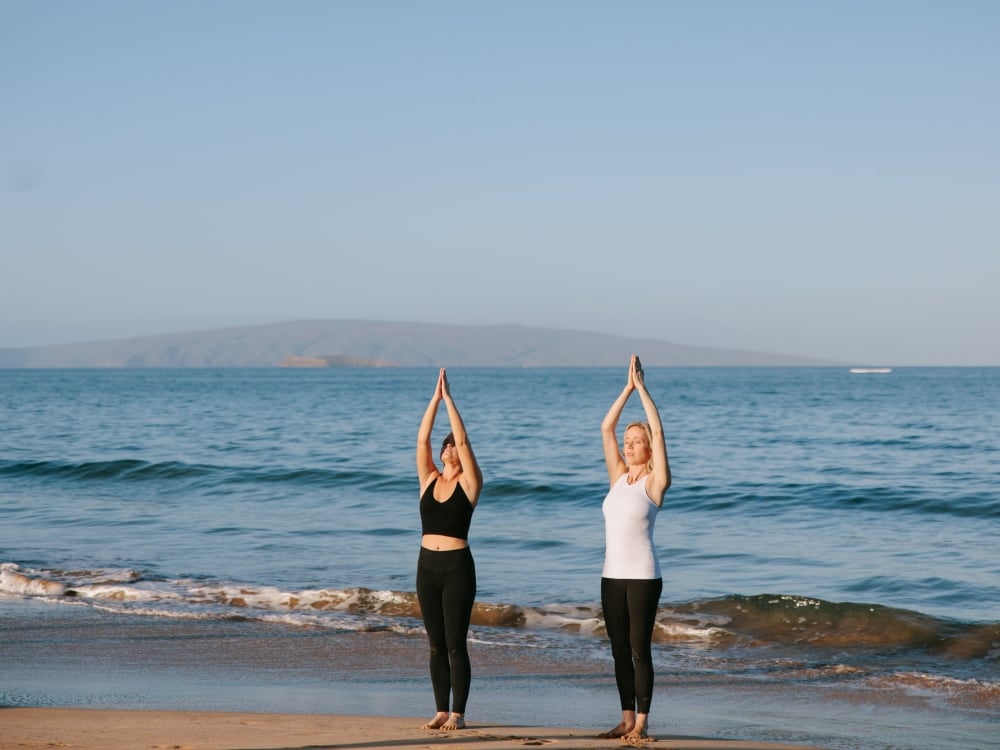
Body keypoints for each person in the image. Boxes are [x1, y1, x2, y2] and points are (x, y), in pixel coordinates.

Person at [597, 354, 671, 741]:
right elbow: (605, 427)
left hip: (643, 576)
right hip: (612, 576)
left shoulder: (655, 483)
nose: (629, 446)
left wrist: (643, 389)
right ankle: (626, 718)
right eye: (628, 442)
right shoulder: (618, 478)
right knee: (617, 650)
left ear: (647, 449)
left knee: (639, 649)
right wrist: (625, 388)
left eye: (636, 442)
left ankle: (642, 721)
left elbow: (659, 434)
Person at [415, 368, 483, 731]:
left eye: (452, 444)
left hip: (457, 567)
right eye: (446, 445)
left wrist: (451, 401)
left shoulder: (471, 484)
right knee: (435, 645)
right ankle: (441, 708)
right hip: (427, 566)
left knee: (456, 643)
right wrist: (434, 399)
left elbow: (465, 441)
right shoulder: (428, 479)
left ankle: (458, 712)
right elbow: (422, 440)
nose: (449, 447)